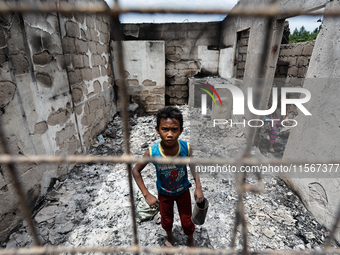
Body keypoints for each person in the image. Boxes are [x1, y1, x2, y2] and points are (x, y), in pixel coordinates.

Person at [132, 106, 204, 247]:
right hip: (164, 194)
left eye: (174, 129)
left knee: (187, 220)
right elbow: (136, 171)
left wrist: (198, 187)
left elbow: (192, 165)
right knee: (166, 220)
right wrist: (146, 195)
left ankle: (190, 238)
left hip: (183, 191)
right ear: (157, 130)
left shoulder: (186, 148)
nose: (169, 134)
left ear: (181, 130)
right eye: (165, 129)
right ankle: (170, 236)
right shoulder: (152, 152)